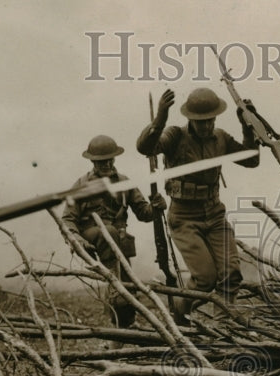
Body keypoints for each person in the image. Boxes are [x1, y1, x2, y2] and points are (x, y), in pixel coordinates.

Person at [137, 88, 260, 323]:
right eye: (200, 121)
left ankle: (224, 328)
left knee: (231, 272)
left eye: (210, 120)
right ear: (190, 118)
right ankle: (179, 315)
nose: (206, 126)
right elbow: (146, 148)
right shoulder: (175, 136)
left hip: (215, 214)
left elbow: (251, 159)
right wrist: (161, 117)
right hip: (184, 218)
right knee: (204, 279)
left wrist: (247, 125)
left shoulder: (221, 138)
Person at [61, 135, 165, 328]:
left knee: (128, 286)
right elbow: (68, 219)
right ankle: (116, 291)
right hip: (93, 239)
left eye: (110, 160)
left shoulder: (124, 182)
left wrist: (156, 207)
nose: (107, 164)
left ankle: (124, 328)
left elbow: (144, 213)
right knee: (117, 282)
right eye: (102, 161)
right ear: (93, 162)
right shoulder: (82, 185)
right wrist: (76, 239)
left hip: (119, 242)